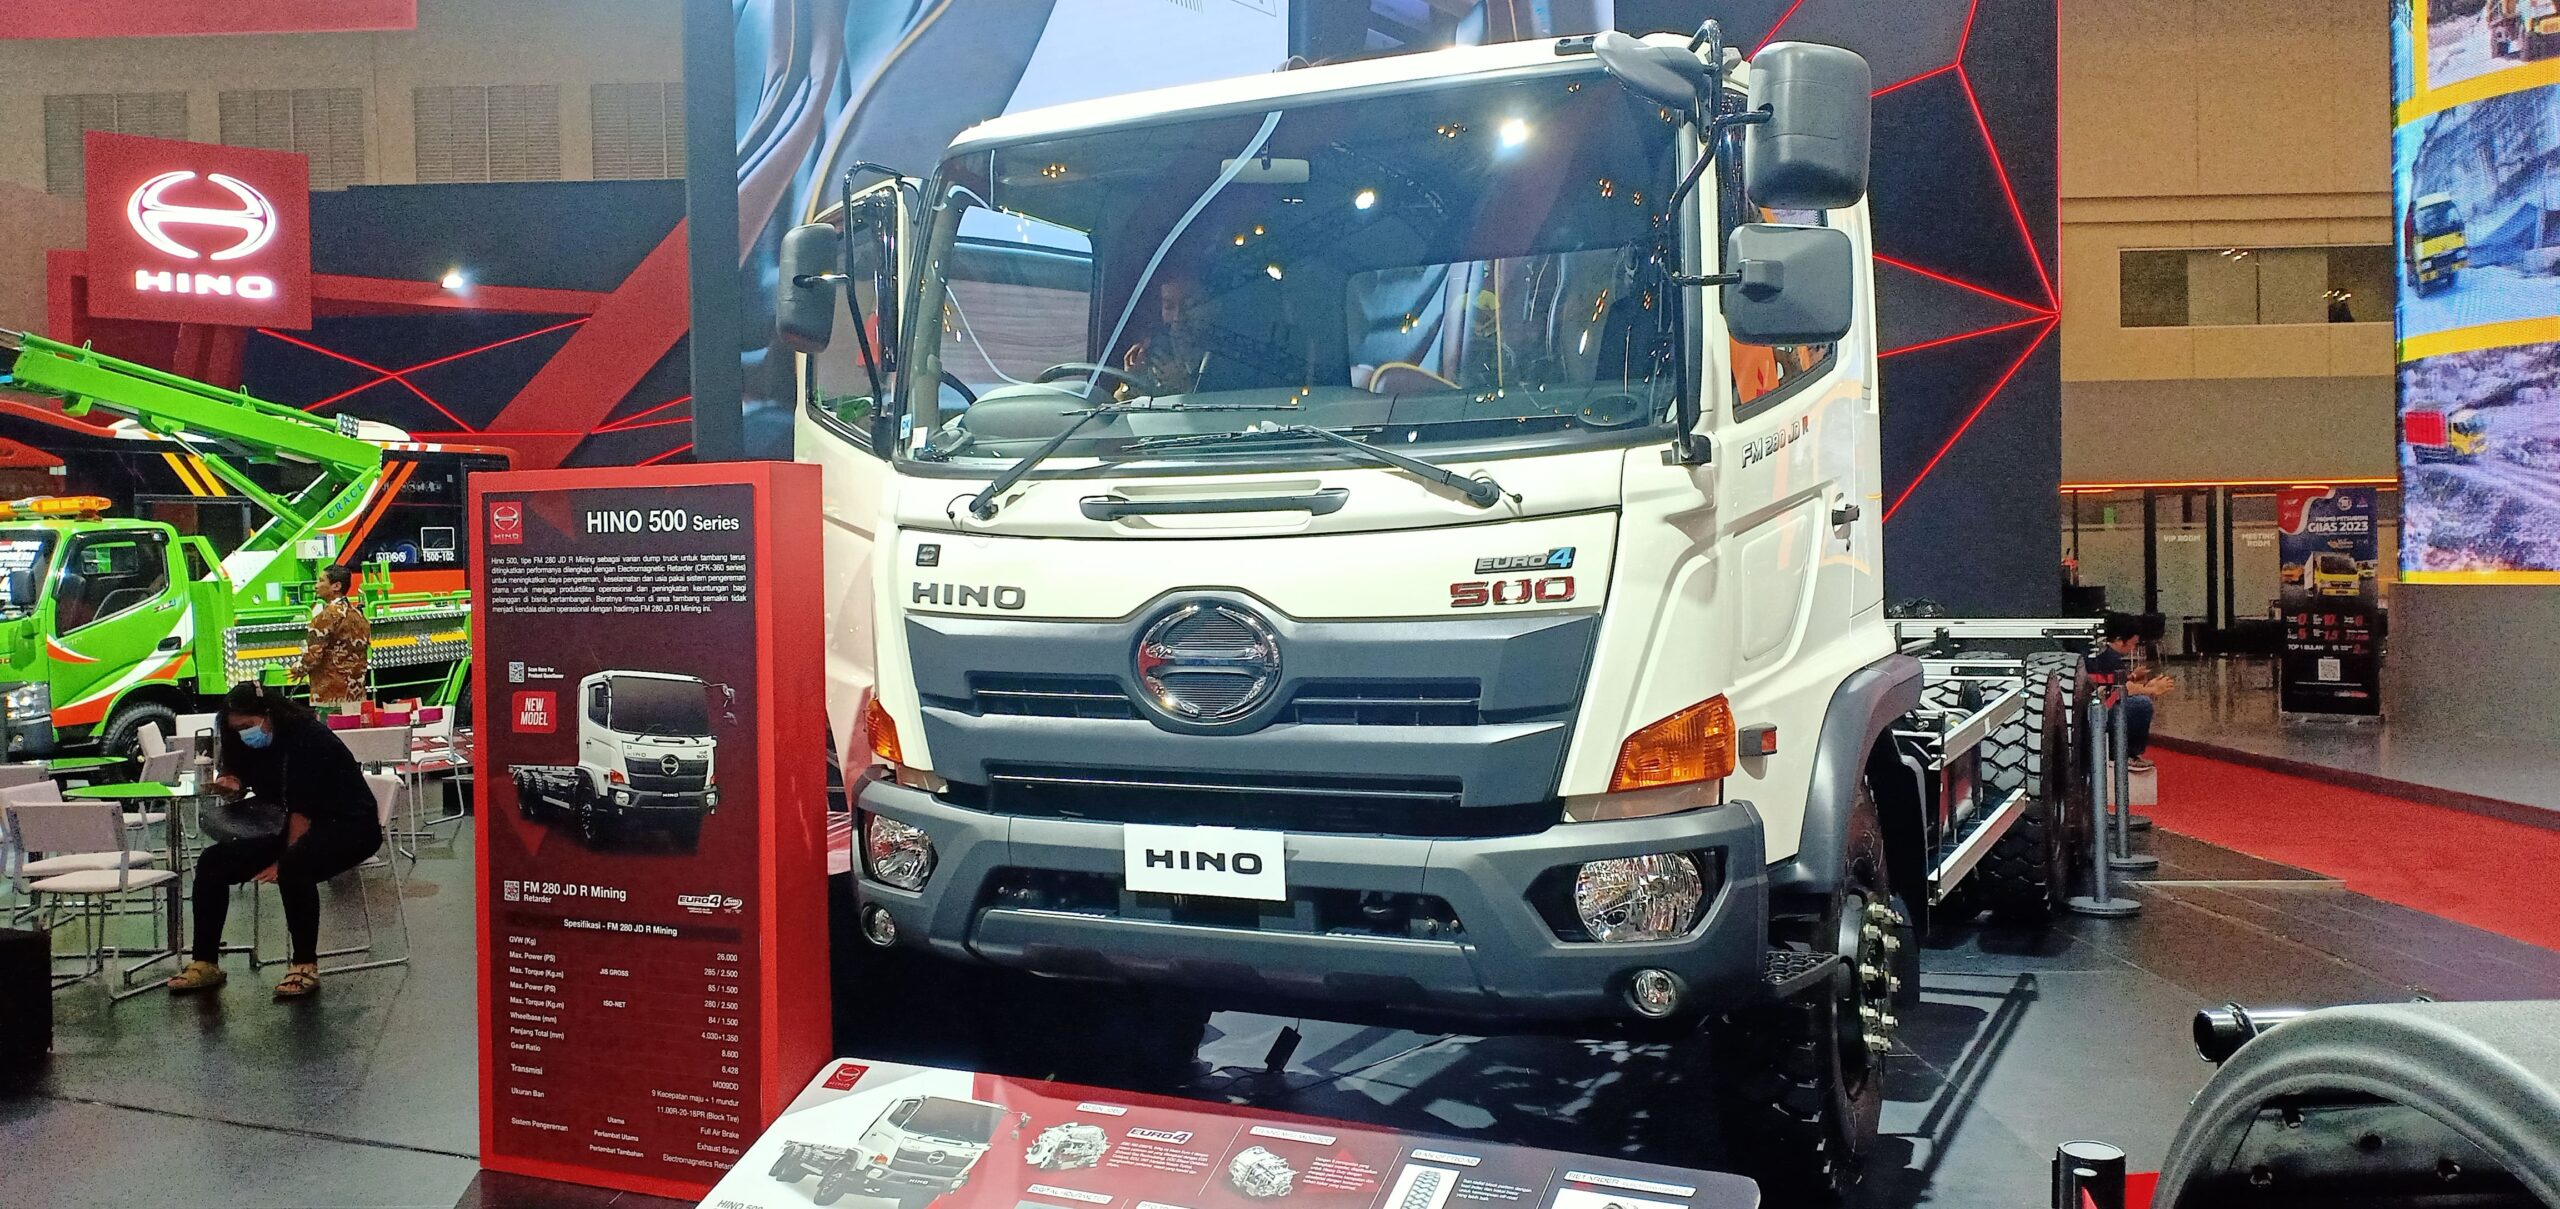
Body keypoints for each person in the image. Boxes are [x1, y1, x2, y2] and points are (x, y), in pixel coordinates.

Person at [164, 683, 383, 998]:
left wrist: (281, 861)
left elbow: (302, 813)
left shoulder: (308, 738)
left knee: (295, 866)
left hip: (348, 824)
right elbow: (241, 772)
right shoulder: (245, 741)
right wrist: (231, 780)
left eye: (247, 726)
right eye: (236, 729)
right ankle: (205, 961)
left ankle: (304, 964)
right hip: (282, 821)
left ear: (268, 715)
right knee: (212, 862)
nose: (243, 734)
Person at [2086, 613, 2174, 772]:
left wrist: (2134, 678)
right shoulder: (2109, 657)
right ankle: (2127, 754)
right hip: (2095, 714)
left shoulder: (2101, 653)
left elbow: (2110, 682)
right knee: (2141, 705)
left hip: (2094, 708)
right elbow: (2123, 689)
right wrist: (2151, 690)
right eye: (2133, 644)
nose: (2133, 649)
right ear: (2120, 640)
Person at [296, 565, 370, 713]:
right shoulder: (358, 614)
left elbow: (314, 654)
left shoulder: (326, 616)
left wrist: (299, 669)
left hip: (330, 694)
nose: (316, 586)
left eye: (321, 581)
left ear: (336, 586)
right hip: (356, 694)